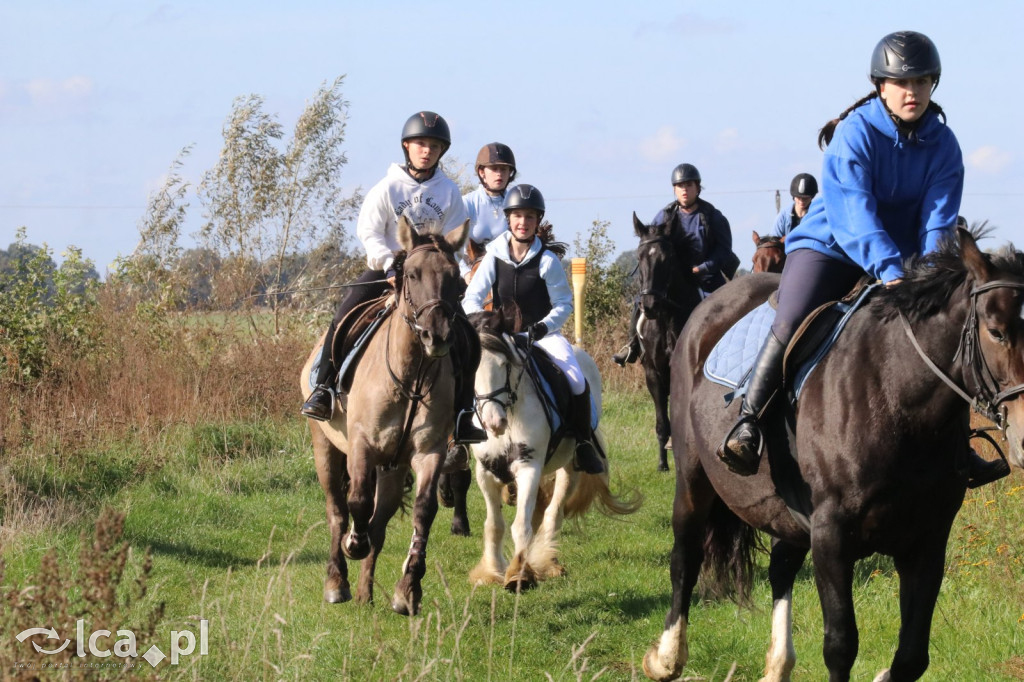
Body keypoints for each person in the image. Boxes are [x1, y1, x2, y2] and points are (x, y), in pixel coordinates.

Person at [718, 30, 1009, 488]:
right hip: (832, 246)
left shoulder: (945, 145)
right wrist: (891, 272)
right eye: (901, 83)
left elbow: (938, 221)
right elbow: (856, 215)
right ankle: (749, 419)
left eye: (921, 82)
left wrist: (928, 275)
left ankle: (958, 446)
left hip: (907, 258)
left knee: (947, 328)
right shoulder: (853, 134)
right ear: (880, 86)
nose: (912, 92)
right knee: (793, 314)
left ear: (933, 85)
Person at [301, 111, 487, 444]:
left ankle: (462, 413)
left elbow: (456, 239)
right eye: (420, 144)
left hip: (430, 279)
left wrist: (445, 266)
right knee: (344, 315)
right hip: (386, 270)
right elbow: (369, 232)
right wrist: (389, 264)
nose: (426, 151)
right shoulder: (387, 187)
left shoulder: (448, 192)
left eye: (433, 146)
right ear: (407, 146)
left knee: (467, 338)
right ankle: (325, 388)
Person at [463, 184, 605, 474]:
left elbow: (563, 304)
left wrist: (541, 328)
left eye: (529, 217)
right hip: (501, 337)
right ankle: (458, 440)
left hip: (541, 337)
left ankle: (582, 442)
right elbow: (472, 297)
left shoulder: (548, 260)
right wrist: (482, 323)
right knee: (464, 373)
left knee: (576, 378)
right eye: (517, 216)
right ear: (508, 218)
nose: (523, 223)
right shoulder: (493, 255)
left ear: (537, 221)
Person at [612, 162, 737, 366]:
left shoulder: (713, 217)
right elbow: (651, 244)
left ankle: (730, 354)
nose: (684, 190)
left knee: (727, 309)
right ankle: (631, 345)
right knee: (640, 301)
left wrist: (703, 268)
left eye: (689, 185)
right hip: (672, 280)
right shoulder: (664, 215)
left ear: (697, 187)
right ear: (674, 189)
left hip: (706, 279)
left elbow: (724, 250)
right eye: (680, 186)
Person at [461, 142, 517, 280]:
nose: (499, 174)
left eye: (504, 169)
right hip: (472, 272)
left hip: (507, 273)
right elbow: (453, 246)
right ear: (481, 172)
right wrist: (466, 273)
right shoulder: (467, 203)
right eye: (494, 169)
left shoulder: (516, 204)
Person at [771, 173, 818, 238]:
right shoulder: (782, 217)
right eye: (798, 197)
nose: (801, 201)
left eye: (805, 198)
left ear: (812, 197)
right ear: (793, 196)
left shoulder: (817, 216)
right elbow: (774, 241)